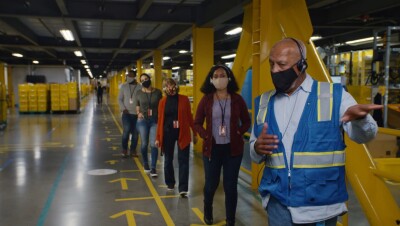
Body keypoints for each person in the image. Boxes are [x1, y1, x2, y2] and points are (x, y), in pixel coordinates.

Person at [249, 38, 383, 226]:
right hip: (278, 202)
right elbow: (255, 154)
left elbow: (364, 136)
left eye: (282, 64)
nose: (274, 70)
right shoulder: (264, 102)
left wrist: (361, 120)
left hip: (321, 204)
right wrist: (257, 147)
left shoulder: (334, 95)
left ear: (302, 65)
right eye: (271, 64)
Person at [194, 65, 251, 226]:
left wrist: (239, 132)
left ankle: (230, 220)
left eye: (223, 75)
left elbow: (247, 121)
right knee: (211, 184)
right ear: (211, 80)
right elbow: (197, 122)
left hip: (233, 150)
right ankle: (208, 210)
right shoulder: (206, 99)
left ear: (229, 78)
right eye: (216, 75)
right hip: (212, 149)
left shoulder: (237, 99)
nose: (220, 78)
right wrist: (205, 135)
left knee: (230, 186)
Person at [155, 78, 198, 197]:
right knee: (168, 160)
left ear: (176, 85)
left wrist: (194, 133)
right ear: (164, 88)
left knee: (183, 160)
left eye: (172, 84)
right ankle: (170, 182)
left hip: (182, 133)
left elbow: (190, 117)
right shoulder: (162, 102)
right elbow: (160, 121)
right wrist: (158, 137)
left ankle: (183, 188)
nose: (170, 87)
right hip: (167, 133)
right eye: (167, 85)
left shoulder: (184, 99)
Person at [136, 73, 162, 177]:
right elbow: (137, 105)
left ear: (150, 79)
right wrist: (138, 113)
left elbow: (161, 105)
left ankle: (153, 168)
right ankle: (145, 163)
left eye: (146, 79)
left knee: (153, 144)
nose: (144, 81)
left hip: (154, 120)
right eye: (142, 80)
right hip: (143, 121)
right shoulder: (138, 93)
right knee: (144, 144)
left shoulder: (158, 92)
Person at [118, 70, 140, 158]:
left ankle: (133, 150)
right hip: (126, 113)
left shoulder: (139, 87)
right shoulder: (123, 86)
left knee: (135, 133)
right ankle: (124, 149)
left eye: (130, 76)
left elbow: (141, 100)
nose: (128, 77)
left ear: (134, 77)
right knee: (126, 131)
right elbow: (119, 99)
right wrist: (123, 109)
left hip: (136, 114)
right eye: (127, 75)